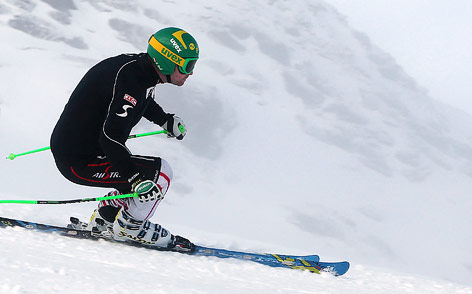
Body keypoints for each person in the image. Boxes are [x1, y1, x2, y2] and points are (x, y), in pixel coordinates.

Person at [50, 27, 199, 252]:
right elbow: (110, 139)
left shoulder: (138, 72)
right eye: (188, 66)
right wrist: (136, 180)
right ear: (169, 62)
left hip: (82, 150)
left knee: (136, 169)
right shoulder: (133, 80)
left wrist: (164, 121)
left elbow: (142, 101)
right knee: (160, 175)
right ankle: (131, 227)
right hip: (79, 161)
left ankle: (106, 217)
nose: (191, 73)